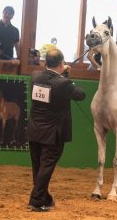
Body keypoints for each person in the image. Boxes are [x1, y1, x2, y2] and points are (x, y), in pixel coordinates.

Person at [27, 49, 86, 212]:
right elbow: (81, 94)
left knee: (38, 166)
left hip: (34, 130)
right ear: (61, 64)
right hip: (53, 133)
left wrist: (62, 75)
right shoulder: (63, 83)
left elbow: (54, 86)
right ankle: (36, 200)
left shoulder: (35, 76)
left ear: (46, 62)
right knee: (46, 167)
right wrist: (66, 77)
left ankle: (44, 197)